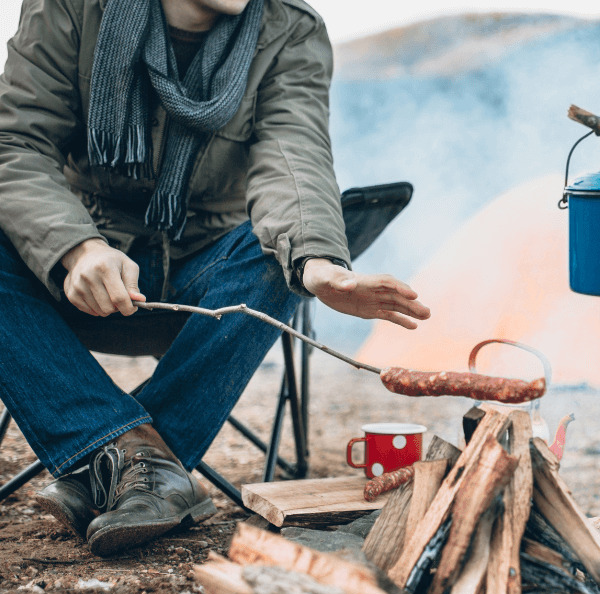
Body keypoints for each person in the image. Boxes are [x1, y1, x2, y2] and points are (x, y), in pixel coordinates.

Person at [0, 0, 430, 556]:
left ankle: (108, 463)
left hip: (208, 283)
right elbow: (15, 144)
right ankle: (139, 463)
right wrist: (75, 248)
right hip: (83, 276)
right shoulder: (72, 8)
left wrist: (319, 265)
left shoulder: (288, 29)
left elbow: (293, 156)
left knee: (277, 250)